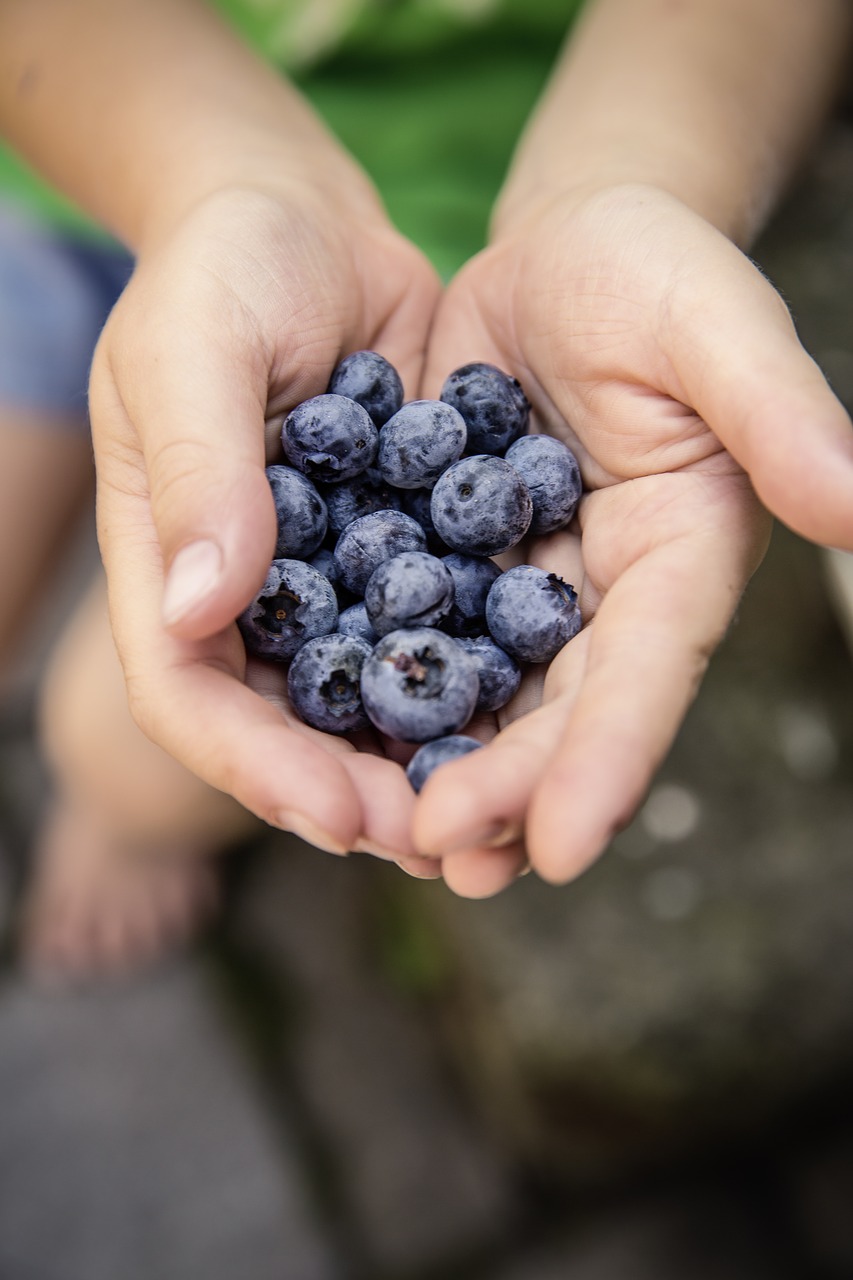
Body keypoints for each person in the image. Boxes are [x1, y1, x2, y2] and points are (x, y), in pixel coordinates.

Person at [0, 0, 851, 974]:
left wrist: (631, 180)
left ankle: (125, 822)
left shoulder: (438, 512)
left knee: (127, 751)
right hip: (80, 158)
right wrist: (222, 185)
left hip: (469, 240)